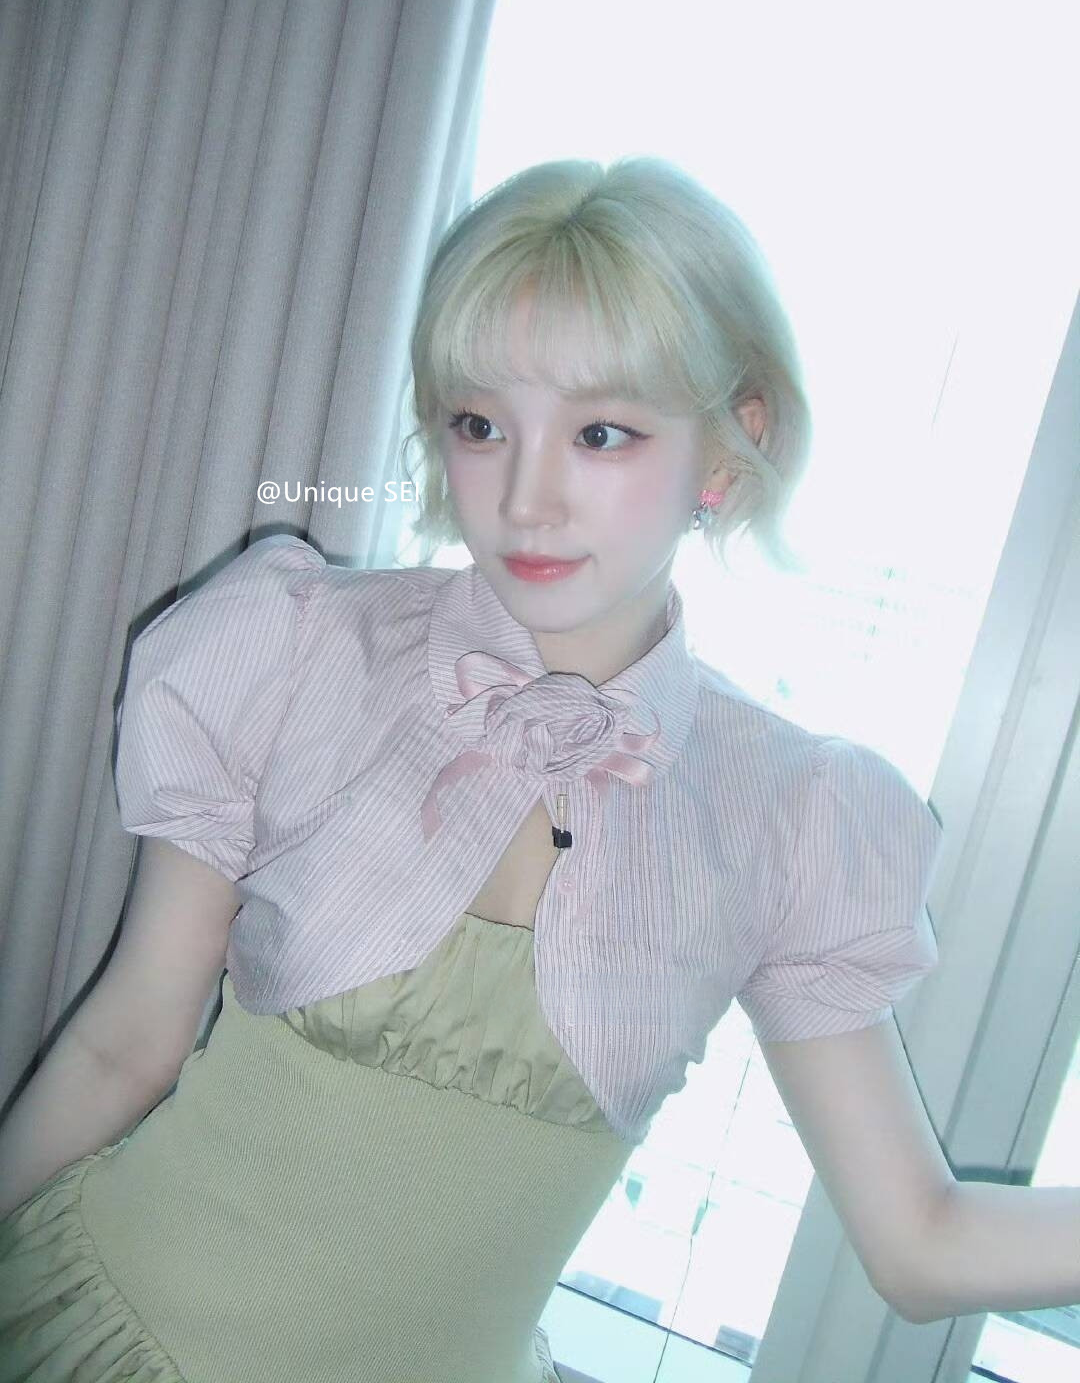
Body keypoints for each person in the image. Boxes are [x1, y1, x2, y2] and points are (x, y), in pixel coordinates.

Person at [3, 156, 1072, 1383]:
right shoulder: (295, 648)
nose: (526, 497)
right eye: (481, 426)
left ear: (733, 446)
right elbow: (125, 1043)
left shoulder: (789, 816)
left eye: (602, 432)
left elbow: (921, 1243)